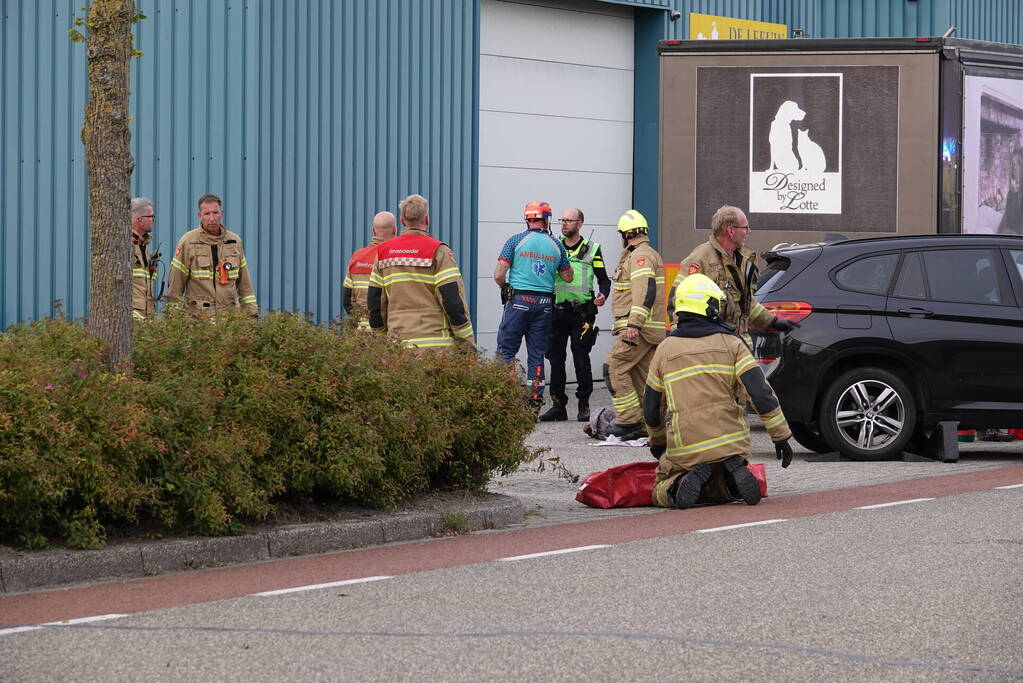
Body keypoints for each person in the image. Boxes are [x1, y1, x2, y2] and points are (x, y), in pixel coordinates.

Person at [645, 273, 793, 509]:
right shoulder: (732, 343)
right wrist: (781, 436)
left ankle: (679, 483)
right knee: (721, 480)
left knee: (659, 488)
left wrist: (658, 441)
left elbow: (651, 406)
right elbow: (760, 393)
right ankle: (731, 477)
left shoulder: (664, 350)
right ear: (710, 306)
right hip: (731, 443)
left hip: (687, 447)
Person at [676, 205, 796, 346]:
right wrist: (682, 342)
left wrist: (772, 322)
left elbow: (745, 303)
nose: (748, 231)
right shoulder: (700, 259)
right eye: (745, 227)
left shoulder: (744, 259)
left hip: (740, 344)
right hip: (713, 345)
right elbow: (677, 303)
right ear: (731, 231)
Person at [493, 201, 573, 410]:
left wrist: (505, 287)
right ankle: (535, 401)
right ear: (547, 219)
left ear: (527, 219)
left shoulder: (516, 241)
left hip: (519, 301)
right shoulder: (557, 245)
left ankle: (506, 397)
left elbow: (498, 274)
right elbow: (568, 276)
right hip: (545, 303)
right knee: (537, 355)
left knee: (507, 350)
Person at [367, 194, 474, 350]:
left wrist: (381, 340)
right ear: (427, 219)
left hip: (398, 347)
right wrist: (466, 342)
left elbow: (374, 302)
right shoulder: (439, 251)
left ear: (402, 222)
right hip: (437, 348)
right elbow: (452, 301)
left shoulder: (383, 253)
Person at [539, 208, 610, 422]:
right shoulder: (554, 246)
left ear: (579, 223)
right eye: (562, 220)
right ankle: (558, 405)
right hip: (557, 312)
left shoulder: (592, 249)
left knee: (581, 357)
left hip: (582, 313)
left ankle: (584, 405)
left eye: (569, 220)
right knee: (556, 359)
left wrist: (603, 295)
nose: (563, 223)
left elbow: (604, 280)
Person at [602, 209, 666, 439]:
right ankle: (653, 424)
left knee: (614, 367)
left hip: (639, 330)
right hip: (648, 331)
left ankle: (629, 420)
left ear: (626, 235)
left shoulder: (640, 256)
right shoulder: (643, 254)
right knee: (645, 380)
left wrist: (635, 324)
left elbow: (644, 290)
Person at [167, 194, 258, 318]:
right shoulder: (188, 242)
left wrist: (252, 314)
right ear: (199, 216)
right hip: (199, 320)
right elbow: (176, 285)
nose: (212, 218)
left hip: (230, 319)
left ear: (222, 213)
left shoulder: (234, 242)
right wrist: (174, 317)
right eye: (207, 214)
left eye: (215, 213)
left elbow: (245, 285)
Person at [343, 211, 397, 328]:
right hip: (388, 332)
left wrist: (360, 322)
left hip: (361, 331)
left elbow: (347, 299)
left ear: (373, 230)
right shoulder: (396, 258)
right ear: (394, 229)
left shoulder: (356, 256)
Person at [130, 197, 159, 321]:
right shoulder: (126, 246)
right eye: (151, 216)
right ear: (140, 220)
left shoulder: (141, 246)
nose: (153, 220)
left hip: (145, 316)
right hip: (133, 318)